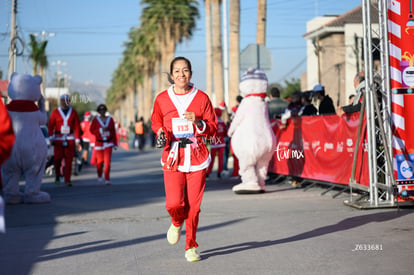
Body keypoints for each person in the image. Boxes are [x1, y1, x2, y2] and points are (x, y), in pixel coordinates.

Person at [151, 56, 217, 262]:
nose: (181, 74)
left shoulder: (202, 98)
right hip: (173, 156)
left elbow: (213, 128)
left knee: (194, 207)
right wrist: (161, 131)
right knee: (174, 203)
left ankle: (191, 246)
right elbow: (155, 122)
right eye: (177, 71)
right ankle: (176, 221)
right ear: (171, 75)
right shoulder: (162, 98)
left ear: (191, 73)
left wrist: (198, 122)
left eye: (185, 70)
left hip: (197, 156)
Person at [48, 94, 81, 187]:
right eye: (62, 100)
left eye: (66, 100)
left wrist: (77, 140)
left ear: (69, 102)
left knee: (69, 160)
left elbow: (77, 127)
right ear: (60, 101)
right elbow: (50, 126)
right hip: (58, 139)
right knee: (57, 160)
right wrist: (51, 138)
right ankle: (58, 175)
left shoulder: (73, 112)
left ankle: (67, 180)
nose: (64, 102)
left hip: (70, 139)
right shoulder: (55, 112)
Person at [90, 104, 118, 185]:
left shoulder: (110, 119)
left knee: (107, 162)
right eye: (100, 110)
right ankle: (99, 176)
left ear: (105, 111)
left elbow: (113, 132)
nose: (102, 112)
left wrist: (115, 143)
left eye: (103, 110)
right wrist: (99, 130)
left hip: (108, 143)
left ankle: (107, 178)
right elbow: (91, 130)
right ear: (98, 111)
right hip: (99, 143)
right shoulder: (96, 120)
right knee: (99, 162)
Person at [207, 108, 227, 179]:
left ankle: (208, 172)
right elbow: (225, 132)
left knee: (211, 158)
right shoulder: (222, 122)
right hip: (221, 142)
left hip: (214, 142)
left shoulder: (213, 122)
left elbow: (210, 132)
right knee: (220, 159)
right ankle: (219, 172)